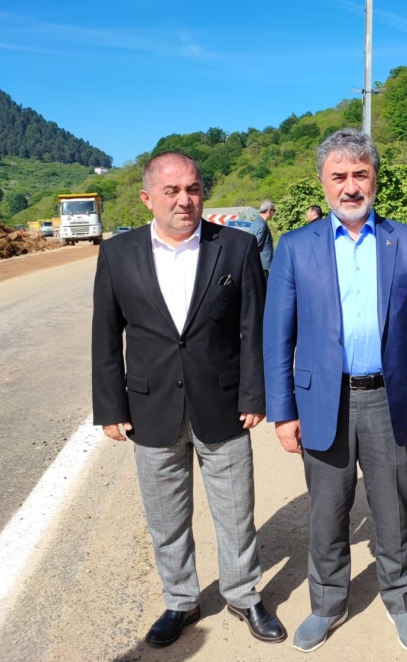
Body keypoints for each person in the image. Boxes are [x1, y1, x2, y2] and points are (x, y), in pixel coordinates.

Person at [91, 151, 286, 649]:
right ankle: (181, 600)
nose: (185, 200)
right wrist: (110, 407)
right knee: (166, 517)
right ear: (147, 198)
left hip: (223, 403)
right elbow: (105, 335)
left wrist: (255, 393)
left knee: (235, 509)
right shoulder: (118, 254)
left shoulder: (236, 247)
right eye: (172, 191)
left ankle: (243, 593)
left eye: (193, 189)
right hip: (150, 407)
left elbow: (254, 327)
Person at [263, 129, 407, 654]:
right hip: (324, 401)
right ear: (323, 182)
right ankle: (327, 604)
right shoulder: (296, 247)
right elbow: (277, 337)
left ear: (375, 179)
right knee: (327, 512)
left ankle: (401, 600)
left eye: (360, 174)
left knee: (393, 508)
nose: (350, 186)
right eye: (339, 176)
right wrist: (283, 412)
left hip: (391, 399)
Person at [251, 199, 275, 274]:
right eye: (274, 210)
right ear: (269, 211)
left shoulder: (257, 221)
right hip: (262, 264)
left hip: (261, 264)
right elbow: (255, 245)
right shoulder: (261, 225)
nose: (274, 214)